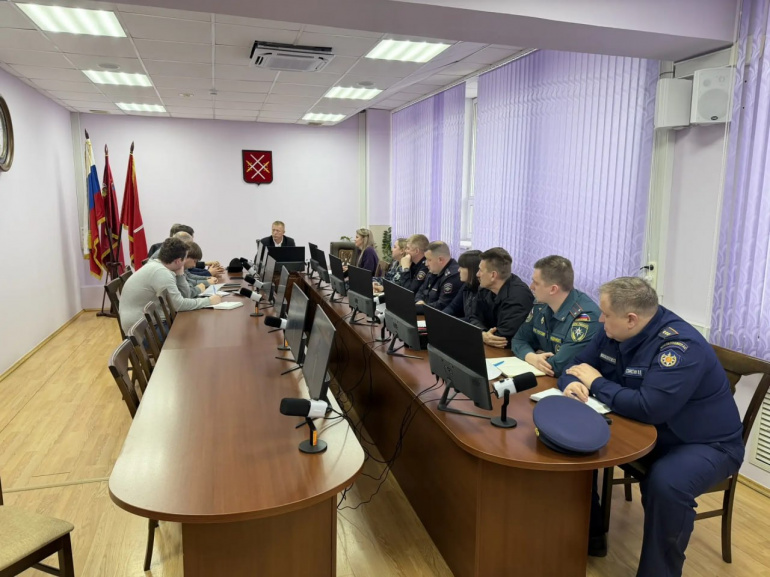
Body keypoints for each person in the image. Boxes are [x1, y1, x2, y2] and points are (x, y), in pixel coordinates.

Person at [557, 277, 744, 575]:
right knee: (576, 442)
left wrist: (597, 383)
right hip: (648, 430)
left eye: (606, 314)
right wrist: (570, 383)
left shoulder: (680, 346)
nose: (600, 319)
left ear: (631, 319)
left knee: (667, 484)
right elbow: (575, 366)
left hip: (705, 443)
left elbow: (649, 407)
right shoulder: (613, 329)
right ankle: (591, 535)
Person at [512, 255, 601, 376]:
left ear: (553, 289)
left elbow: (560, 366)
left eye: (536, 283)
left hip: (572, 383)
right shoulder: (541, 305)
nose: (531, 287)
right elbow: (519, 340)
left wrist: (538, 358)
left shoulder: (585, 317)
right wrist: (532, 357)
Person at [119, 237, 222, 334]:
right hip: (143, 332)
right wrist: (208, 301)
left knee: (193, 326)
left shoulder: (158, 265)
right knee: (192, 332)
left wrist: (180, 274)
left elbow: (183, 297)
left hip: (147, 323)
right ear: (178, 261)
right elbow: (179, 305)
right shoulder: (161, 273)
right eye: (184, 259)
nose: (184, 262)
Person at [469, 247, 534, 348]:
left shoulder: (518, 297)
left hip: (513, 351)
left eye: (481, 270)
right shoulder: (485, 288)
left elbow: (503, 339)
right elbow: (473, 316)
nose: (477, 274)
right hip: (489, 345)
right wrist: (482, 333)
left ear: (493, 275)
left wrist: (483, 335)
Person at [414, 241, 462, 313]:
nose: (426, 264)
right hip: (425, 311)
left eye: (429, 260)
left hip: (437, 316)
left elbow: (442, 305)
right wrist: (419, 301)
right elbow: (420, 291)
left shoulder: (453, 276)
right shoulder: (434, 270)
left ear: (440, 260)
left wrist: (423, 306)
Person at [442, 249, 481, 320]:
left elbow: (475, 320)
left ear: (472, 269)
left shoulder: (483, 292)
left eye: (462, 267)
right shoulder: (466, 286)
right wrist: (440, 317)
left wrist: (451, 321)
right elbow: (452, 307)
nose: (458, 270)